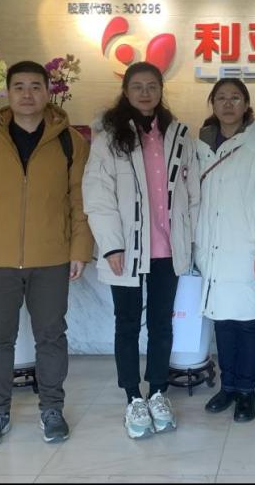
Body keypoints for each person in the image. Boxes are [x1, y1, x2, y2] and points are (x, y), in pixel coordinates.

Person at [0, 60, 93, 450]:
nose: (27, 94)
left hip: (51, 257)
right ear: (8, 93)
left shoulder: (69, 142)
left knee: (51, 336)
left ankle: (52, 408)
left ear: (48, 91)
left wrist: (79, 249)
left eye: (35, 86)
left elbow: (80, 202)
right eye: (19, 87)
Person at [82, 61, 200, 439]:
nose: (145, 93)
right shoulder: (108, 138)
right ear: (126, 91)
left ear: (161, 90)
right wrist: (111, 245)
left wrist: (191, 241)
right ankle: (133, 397)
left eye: (152, 86)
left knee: (162, 323)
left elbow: (193, 194)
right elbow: (98, 196)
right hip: (126, 249)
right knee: (128, 323)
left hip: (168, 248)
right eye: (138, 86)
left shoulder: (179, 135)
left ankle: (158, 391)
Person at [194, 78, 255, 423]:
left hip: (247, 251)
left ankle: (247, 391)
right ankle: (228, 386)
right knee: (222, 322)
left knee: (247, 323)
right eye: (221, 98)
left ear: (246, 105)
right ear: (212, 103)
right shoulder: (200, 147)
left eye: (235, 98)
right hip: (213, 251)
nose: (228, 104)